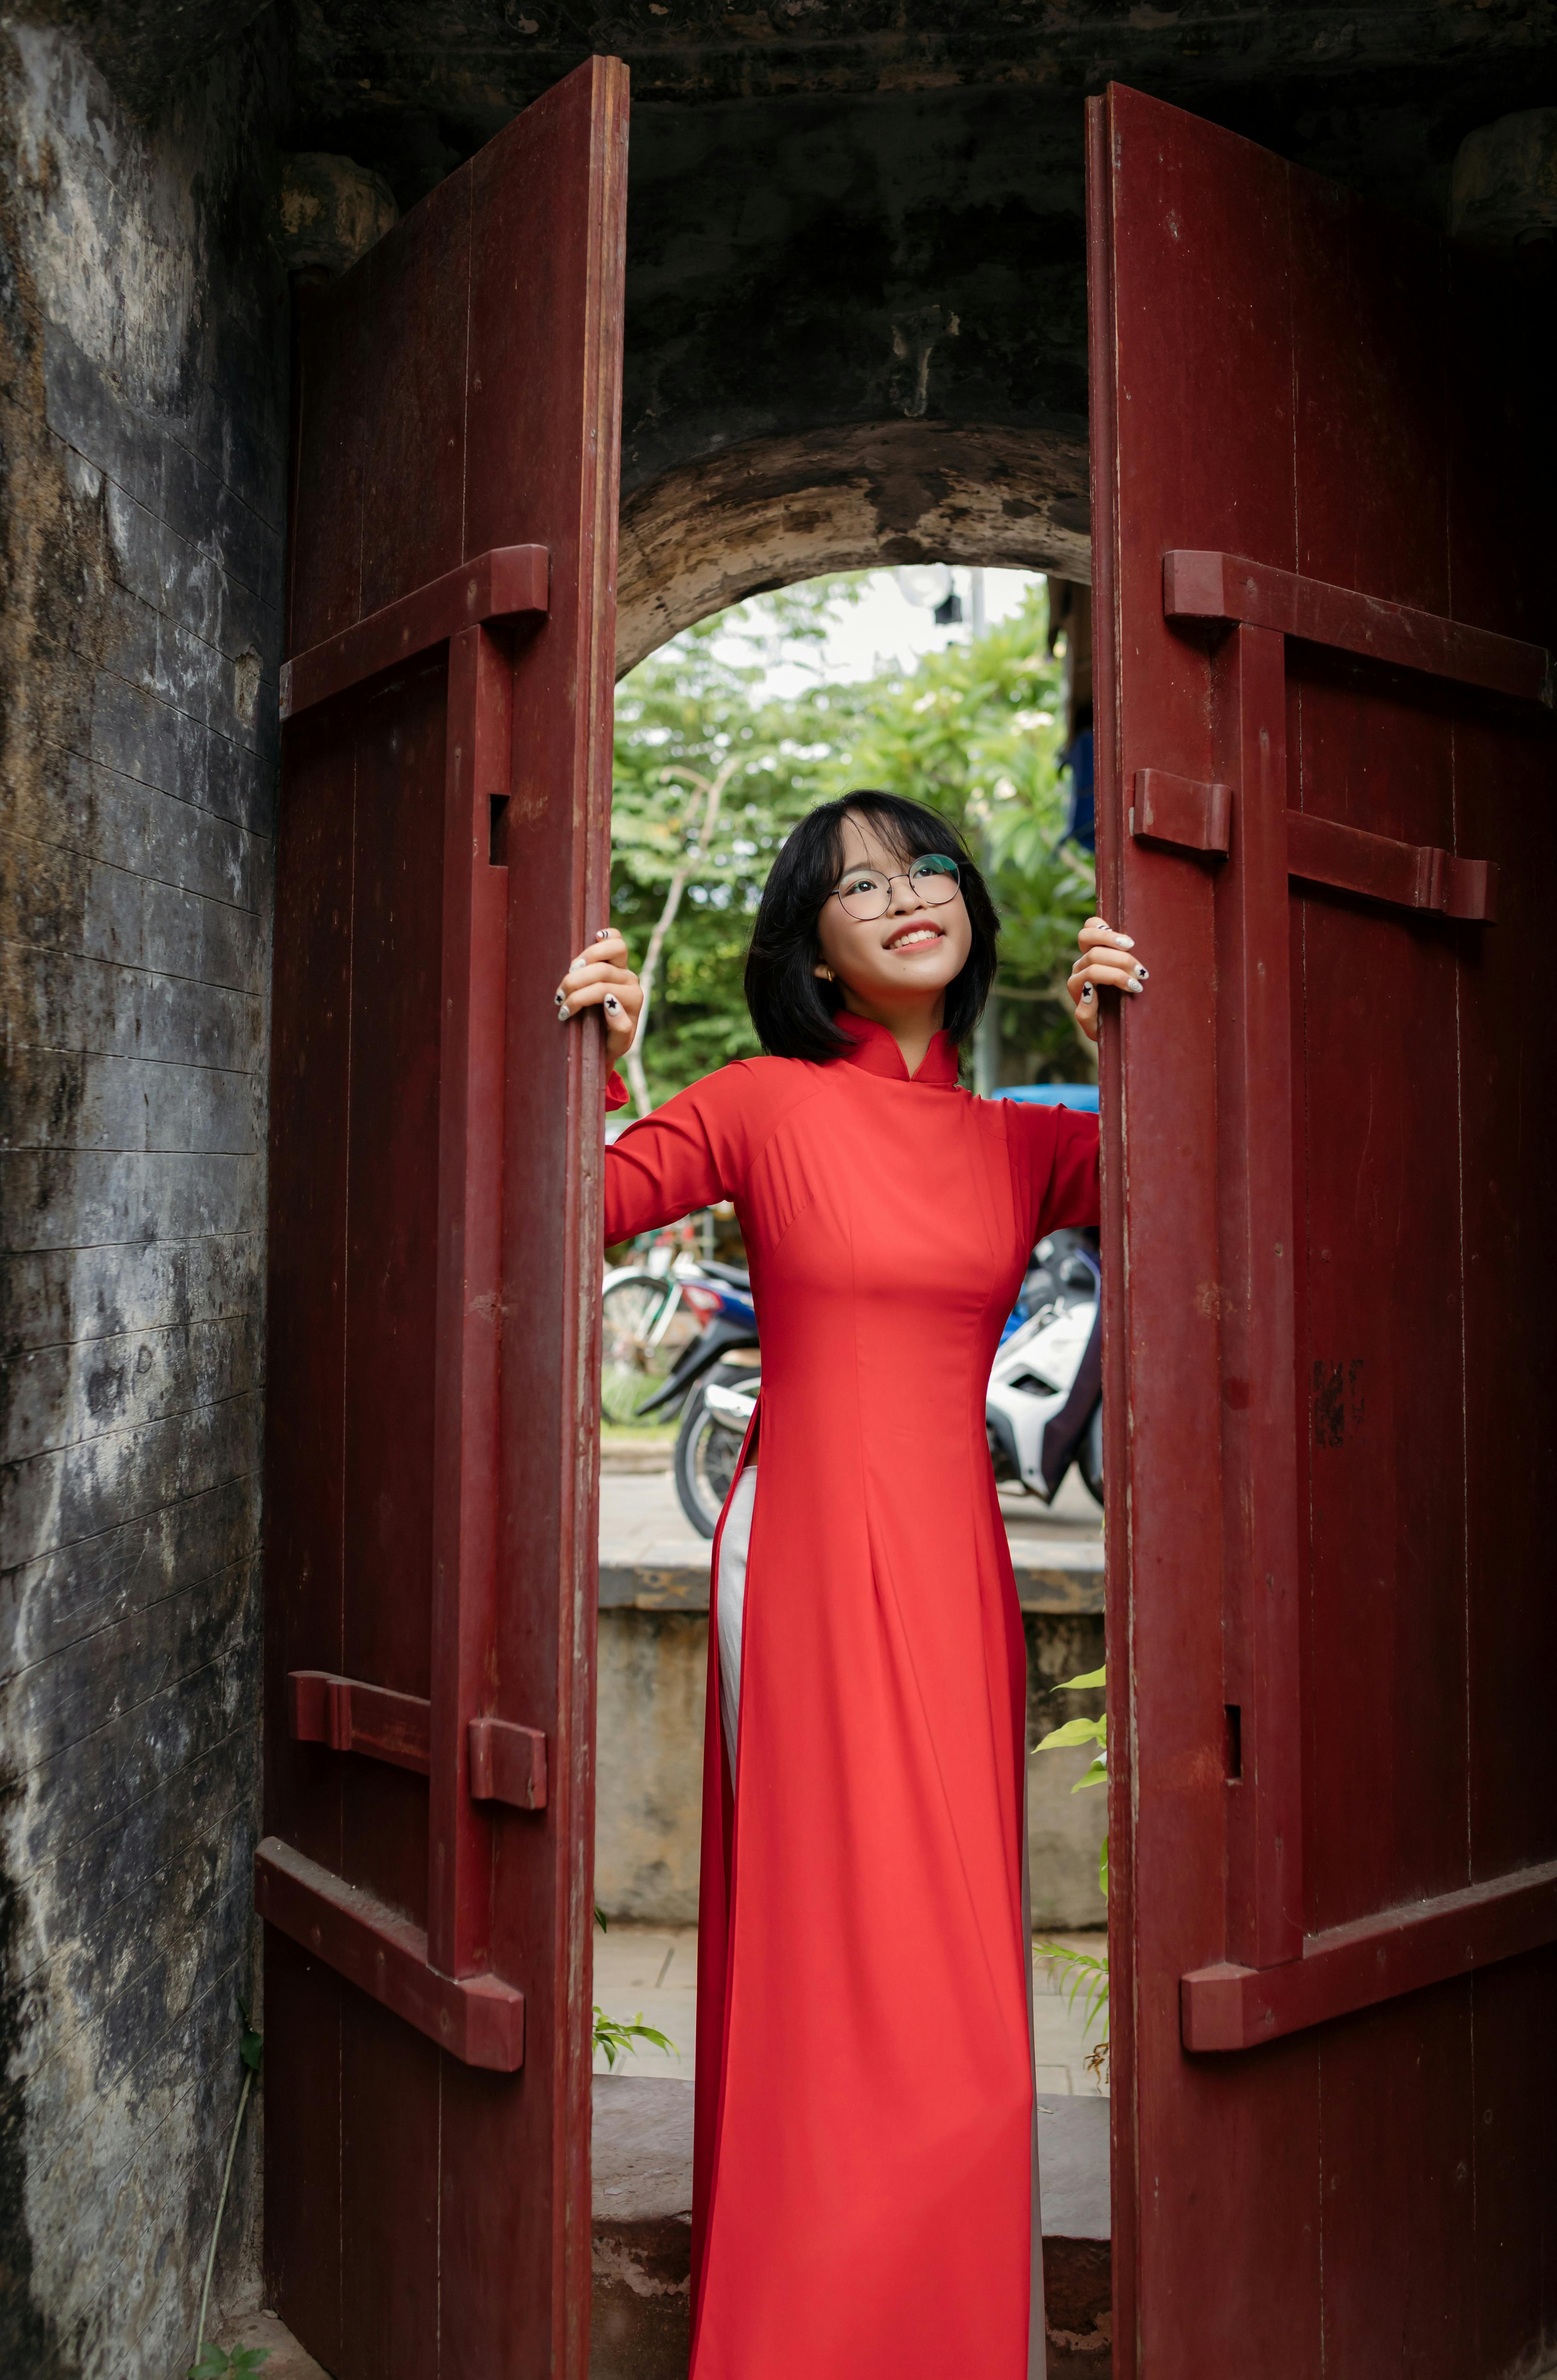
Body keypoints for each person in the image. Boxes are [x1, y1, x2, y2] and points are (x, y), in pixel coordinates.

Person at [554, 792, 1149, 2380]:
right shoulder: (758, 1101)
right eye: (857, 882)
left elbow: (1213, 1191)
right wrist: (591, 1059)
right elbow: (572, 1209)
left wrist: (1128, 1051)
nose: (906, 897)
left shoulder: (1028, 1139)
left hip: (955, 1570)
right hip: (802, 1553)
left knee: (958, 1968)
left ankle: (949, 2337)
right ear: (810, 946)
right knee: (831, 1964)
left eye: (929, 869)